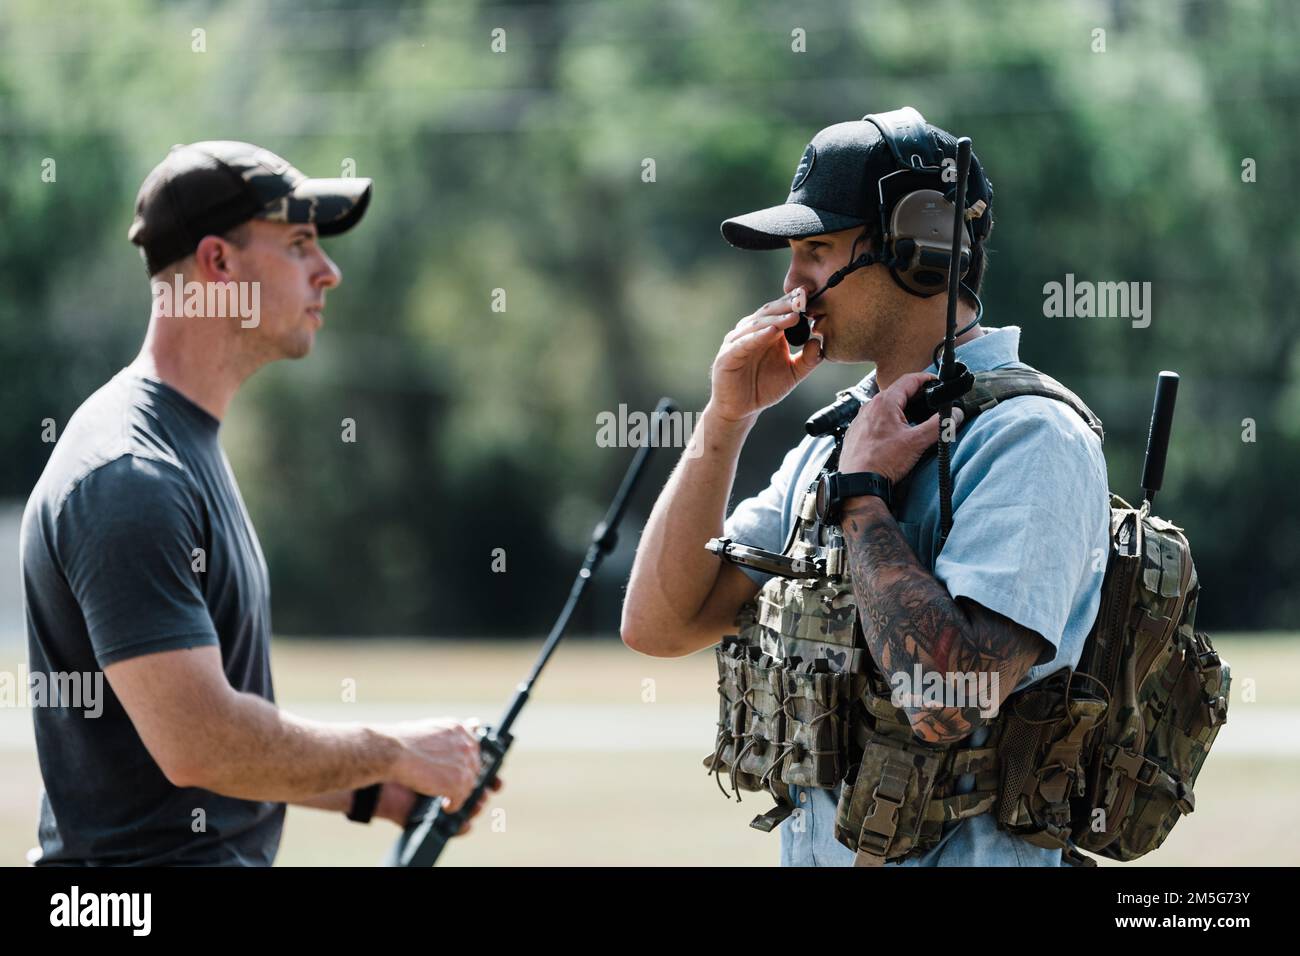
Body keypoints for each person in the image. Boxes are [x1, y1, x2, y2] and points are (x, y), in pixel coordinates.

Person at [621, 110, 1110, 866]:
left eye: (816, 250)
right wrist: (726, 421)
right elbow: (660, 625)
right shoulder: (840, 435)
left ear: (921, 248)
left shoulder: (1030, 438)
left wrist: (862, 494)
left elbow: (949, 702)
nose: (794, 284)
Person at [21, 141, 493, 865]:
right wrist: (393, 750)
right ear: (219, 265)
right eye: (301, 244)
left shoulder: (180, 444)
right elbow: (201, 744)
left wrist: (374, 791)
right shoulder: (128, 476)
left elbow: (198, 755)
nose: (328, 272)